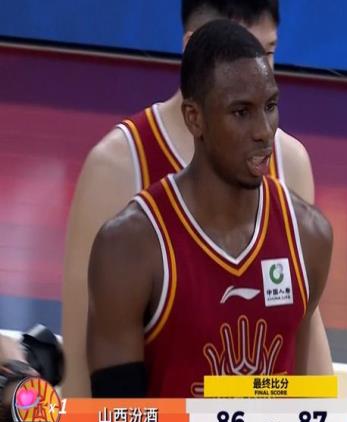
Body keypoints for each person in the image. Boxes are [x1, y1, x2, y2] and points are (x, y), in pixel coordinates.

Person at [63, 0, 326, 397]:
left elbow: (304, 327)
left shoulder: (290, 163)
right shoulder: (118, 165)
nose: (257, 70)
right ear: (192, 47)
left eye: (267, 52)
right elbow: (81, 365)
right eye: (238, 49)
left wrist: (324, 418)